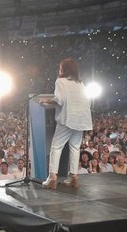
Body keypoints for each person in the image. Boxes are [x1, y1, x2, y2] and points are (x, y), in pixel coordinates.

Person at [40, 58, 93, 189]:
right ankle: (74, 178)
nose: (59, 70)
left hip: (68, 119)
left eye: (60, 68)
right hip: (81, 119)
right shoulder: (80, 83)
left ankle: (52, 178)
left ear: (64, 69)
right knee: (75, 147)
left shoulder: (61, 81)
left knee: (56, 147)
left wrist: (46, 99)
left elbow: (60, 100)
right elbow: (89, 102)